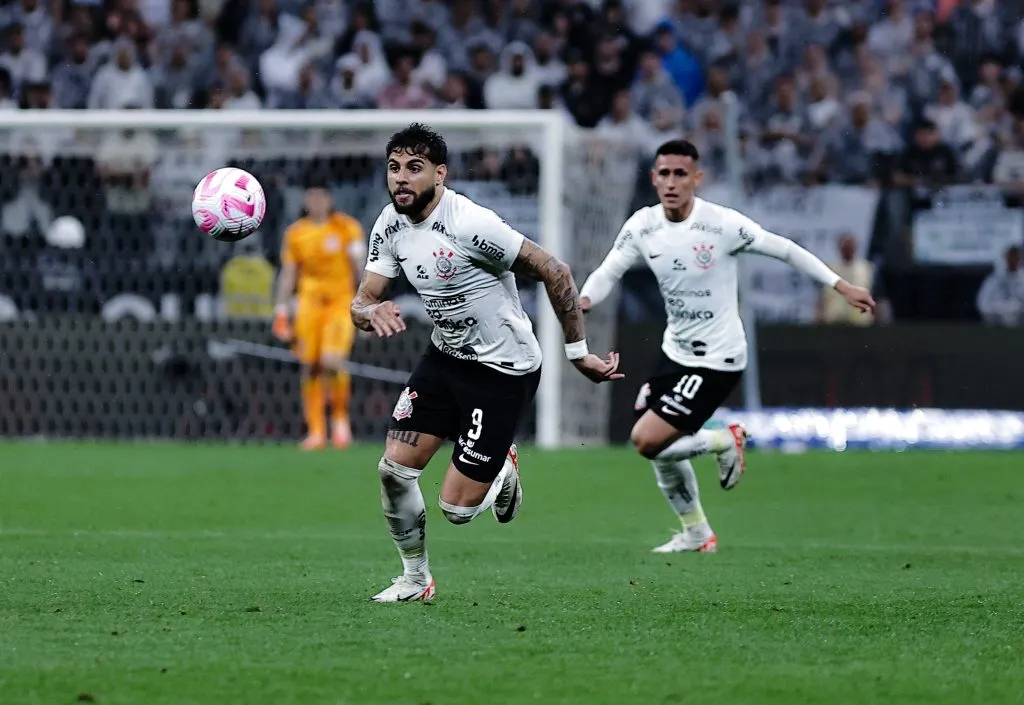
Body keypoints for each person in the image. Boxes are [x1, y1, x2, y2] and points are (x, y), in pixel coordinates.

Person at [351, 123, 622, 602]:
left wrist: (578, 353)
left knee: (456, 510)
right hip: (445, 357)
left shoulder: (471, 224)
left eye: (414, 168)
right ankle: (415, 580)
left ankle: (502, 466)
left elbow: (555, 270)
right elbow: (362, 301)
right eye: (393, 168)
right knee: (393, 472)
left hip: (502, 370)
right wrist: (370, 312)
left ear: (440, 174)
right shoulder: (389, 225)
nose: (400, 179)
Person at [580, 139, 875, 554]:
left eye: (680, 174)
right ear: (653, 178)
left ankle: (724, 439)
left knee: (647, 441)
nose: (671, 182)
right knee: (660, 448)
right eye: (663, 173)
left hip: (718, 358)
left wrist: (840, 284)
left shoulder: (721, 225)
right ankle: (698, 534)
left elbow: (785, 250)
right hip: (675, 352)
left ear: (697, 179)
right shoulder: (643, 225)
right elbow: (609, 269)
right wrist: (585, 300)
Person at [273, 182, 366, 450]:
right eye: (310, 196)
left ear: (329, 198)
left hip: (340, 303)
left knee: (332, 361)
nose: (315, 201)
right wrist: (281, 311)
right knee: (310, 365)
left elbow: (359, 268)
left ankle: (340, 421)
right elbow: (289, 272)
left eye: (319, 196)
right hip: (309, 304)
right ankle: (315, 430)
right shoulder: (295, 233)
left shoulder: (347, 227)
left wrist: (368, 303)